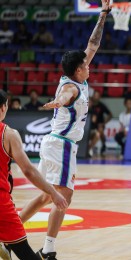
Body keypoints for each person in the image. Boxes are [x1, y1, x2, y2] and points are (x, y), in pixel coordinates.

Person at [18, 1, 110, 259]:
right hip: (62, 145)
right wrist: (59, 102)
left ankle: (8, 232)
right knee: (63, 196)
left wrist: (103, 14)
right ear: (78, 69)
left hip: (54, 143)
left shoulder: (77, 75)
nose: (89, 64)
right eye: (86, 64)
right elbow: (66, 96)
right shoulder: (70, 87)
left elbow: (93, 45)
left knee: (47, 196)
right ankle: (49, 249)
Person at [0, 89, 68, 260]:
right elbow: (29, 171)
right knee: (27, 255)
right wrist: (53, 192)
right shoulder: (8, 134)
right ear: (3, 108)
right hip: (1, 205)